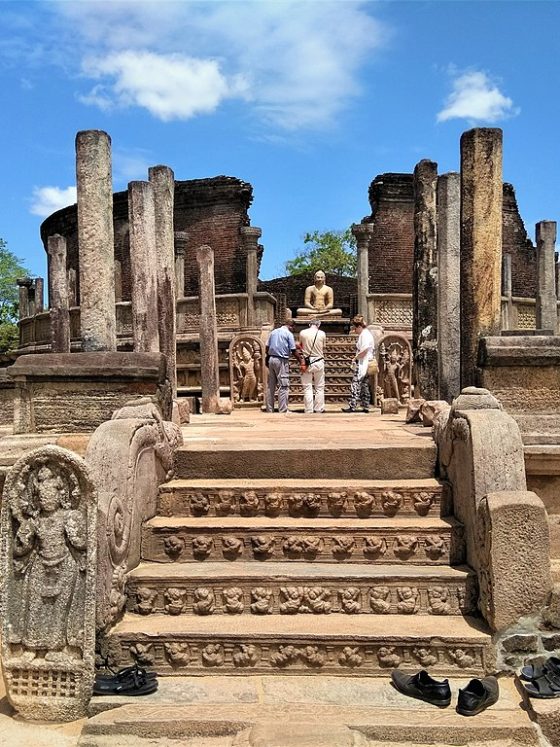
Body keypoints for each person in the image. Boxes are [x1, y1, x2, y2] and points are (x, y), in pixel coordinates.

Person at [265, 319, 304, 413]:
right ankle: (283, 409)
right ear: (291, 326)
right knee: (284, 385)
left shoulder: (273, 332)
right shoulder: (288, 334)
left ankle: (269, 409)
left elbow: (267, 347)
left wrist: (267, 359)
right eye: (294, 328)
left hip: (271, 359)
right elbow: (293, 350)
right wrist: (301, 361)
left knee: (271, 386)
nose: (294, 330)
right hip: (281, 360)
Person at [342, 315, 375, 413]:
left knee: (355, 384)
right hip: (365, 361)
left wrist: (355, 358)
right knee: (364, 385)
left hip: (363, 363)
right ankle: (366, 405)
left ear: (360, 326)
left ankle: (353, 405)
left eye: (355, 328)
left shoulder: (364, 335)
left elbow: (364, 350)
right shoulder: (366, 334)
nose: (355, 330)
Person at [299, 320, 327, 413]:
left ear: (309, 324)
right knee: (319, 387)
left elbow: (301, 345)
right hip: (319, 361)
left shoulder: (302, 333)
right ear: (319, 325)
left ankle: (308, 409)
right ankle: (319, 408)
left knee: (307, 387)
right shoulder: (322, 333)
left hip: (307, 361)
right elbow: (323, 347)